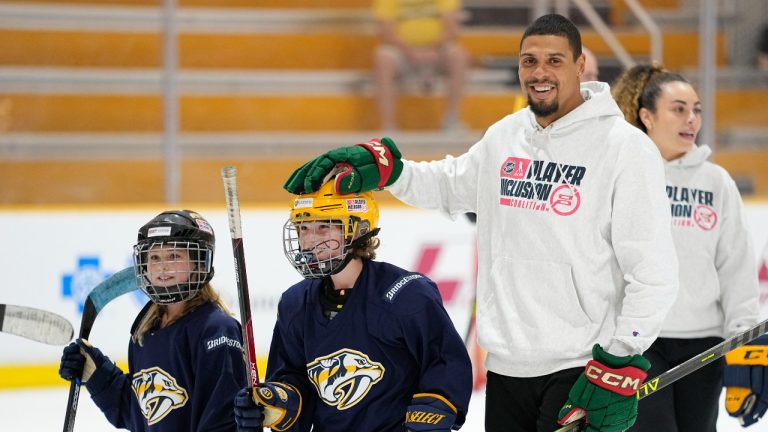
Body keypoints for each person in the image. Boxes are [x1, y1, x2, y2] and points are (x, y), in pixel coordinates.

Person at [282, 13, 679, 432]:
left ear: (580, 66)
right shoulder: (505, 136)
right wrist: (390, 172)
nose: (539, 73)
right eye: (529, 61)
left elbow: (653, 272)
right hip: (507, 368)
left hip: (580, 369)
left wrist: (618, 359)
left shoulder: (624, 148)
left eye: (554, 61)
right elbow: (449, 185)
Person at [233, 181, 472, 432]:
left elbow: (445, 362)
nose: (310, 240)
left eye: (324, 227)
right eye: (303, 228)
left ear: (359, 231)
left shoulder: (407, 295)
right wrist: (276, 402)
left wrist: (431, 415)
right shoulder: (295, 303)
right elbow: (293, 380)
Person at [612, 63, 763, 431]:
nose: (691, 119)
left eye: (695, 109)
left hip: (705, 345)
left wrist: (745, 337)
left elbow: (736, 264)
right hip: (640, 344)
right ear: (647, 116)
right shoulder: (621, 174)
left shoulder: (717, 182)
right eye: (678, 109)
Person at [59, 210, 247, 431]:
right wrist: (98, 375)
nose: (162, 267)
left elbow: (221, 421)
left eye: (174, 256)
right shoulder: (145, 329)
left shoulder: (216, 330)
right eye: (155, 258)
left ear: (198, 263)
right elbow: (143, 414)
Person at [373, 0, 469, 131]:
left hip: (437, 50)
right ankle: (388, 125)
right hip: (401, 52)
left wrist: (432, 48)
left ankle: (451, 120)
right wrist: (411, 52)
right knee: (383, 58)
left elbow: (452, 29)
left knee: (458, 56)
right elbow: (386, 32)